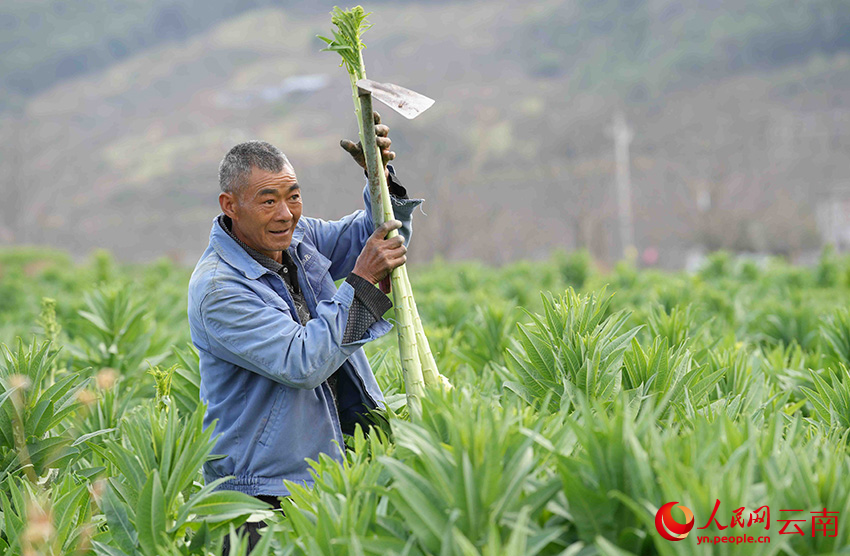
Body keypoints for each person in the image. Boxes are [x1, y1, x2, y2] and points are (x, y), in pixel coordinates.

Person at [186, 112, 420, 551]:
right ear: (229, 206)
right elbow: (304, 362)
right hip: (259, 495)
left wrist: (380, 179)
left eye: (293, 196)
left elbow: (373, 237)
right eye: (268, 200)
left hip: (329, 474)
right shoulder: (219, 290)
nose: (285, 213)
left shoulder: (298, 239)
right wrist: (362, 284)